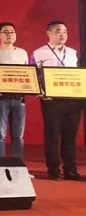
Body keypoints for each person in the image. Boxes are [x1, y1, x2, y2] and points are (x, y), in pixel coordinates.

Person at [30, 21, 84, 181]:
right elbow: (33, 75)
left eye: (65, 32)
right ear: (49, 33)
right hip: (51, 100)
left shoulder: (73, 53)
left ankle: (70, 170)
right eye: (58, 31)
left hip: (72, 100)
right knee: (52, 135)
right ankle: (53, 169)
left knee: (70, 137)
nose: (62, 35)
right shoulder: (39, 53)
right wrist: (40, 91)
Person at [0, 22, 29, 160]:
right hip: (0, 99)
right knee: (0, 136)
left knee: (18, 136)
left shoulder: (22, 53)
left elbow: (28, 74)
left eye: (12, 32)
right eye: (6, 32)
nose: (10, 35)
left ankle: (18, 165)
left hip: (19, 99)